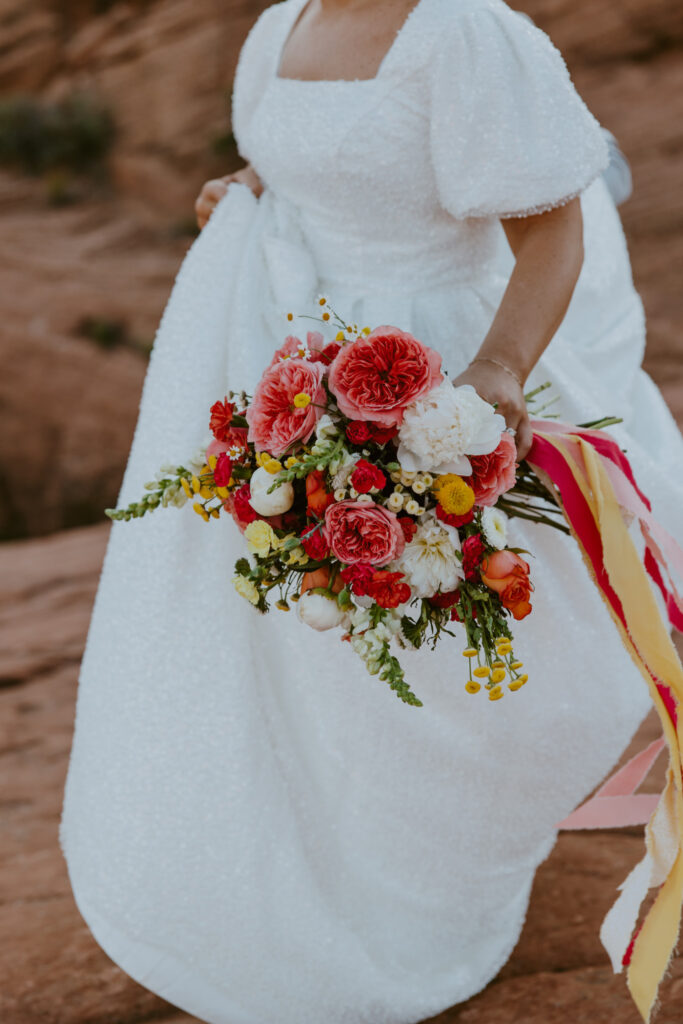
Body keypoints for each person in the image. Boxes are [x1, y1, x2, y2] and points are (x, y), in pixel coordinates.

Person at [60, 1, 683, 1022]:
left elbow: (552, 226)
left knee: (455, 664)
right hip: (300, 358)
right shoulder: (278, 27)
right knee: (317, 651)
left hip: (441, 368)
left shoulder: (460, 35)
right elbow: (313, 160)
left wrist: (493, 377)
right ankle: (323, 879)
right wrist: (252, 185)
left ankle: (431, 892)